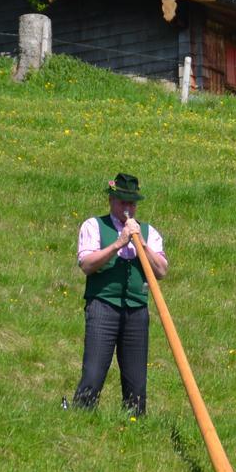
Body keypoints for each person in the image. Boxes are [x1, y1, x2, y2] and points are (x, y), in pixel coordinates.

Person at [72, 173, 168, 415]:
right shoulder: (93, 226)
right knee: (94, 373)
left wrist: (141, 244)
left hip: (136, 310)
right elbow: (86, 264)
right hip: (103, 306)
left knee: (136, 381)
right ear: (112, 201)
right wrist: (118, 244)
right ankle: (81, 417)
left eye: (132, 203)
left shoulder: (148, 232)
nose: (128, 208)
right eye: (123, 202)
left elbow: (162, 271)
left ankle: (134, 424)